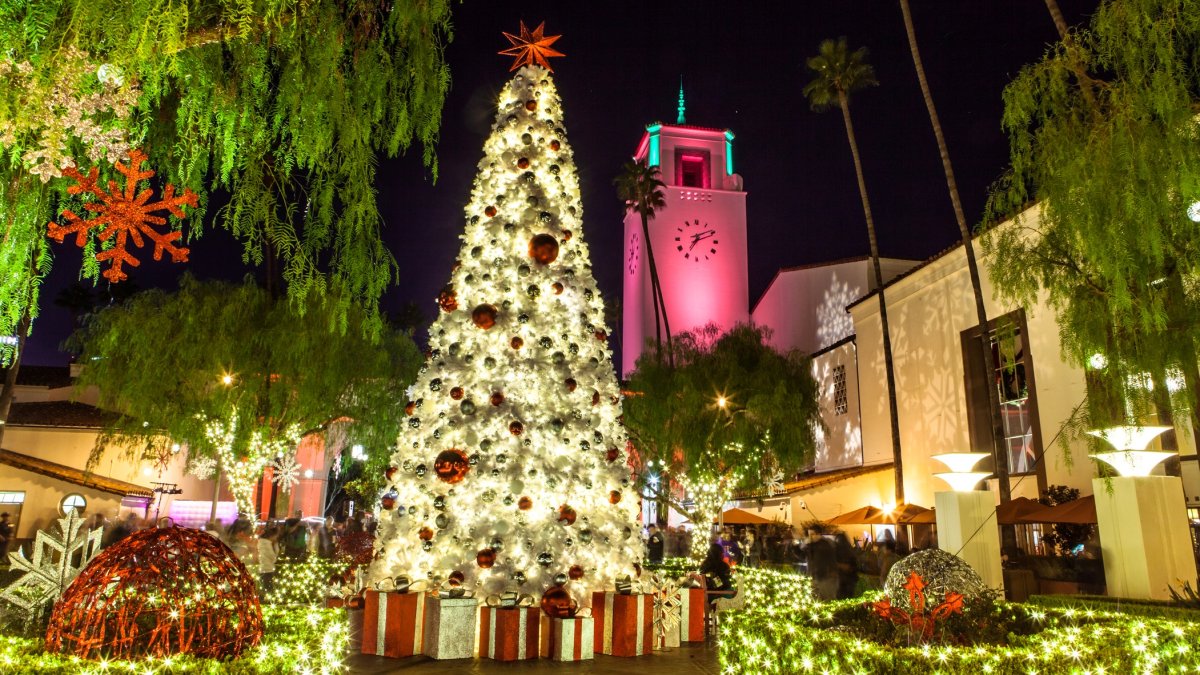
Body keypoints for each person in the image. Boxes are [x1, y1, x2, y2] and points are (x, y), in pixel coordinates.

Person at [806, 530, 838, 601]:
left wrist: (832, 570)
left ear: (818, 534)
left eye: (813, 534)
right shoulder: (811, 545)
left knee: (827, 597)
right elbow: (806, 557)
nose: (811, 536)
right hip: (814, 576)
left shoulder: (824, 544)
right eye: (810, 534)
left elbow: (831, 558)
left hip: (824, 576)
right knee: (815, 598)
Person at [834, 532, 858, 599]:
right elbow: (854, 565)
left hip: (842, 579)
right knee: (849, 597)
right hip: (850, 579)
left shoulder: (838, 550)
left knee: (841, 598)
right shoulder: (850, 549)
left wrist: (839, 565)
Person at [258, 525, 280, 594]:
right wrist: (276, 546)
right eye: (276, 536)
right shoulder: (267, 544)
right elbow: (273, 558)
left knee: (265, 588)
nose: (276, 538)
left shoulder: (261, 543)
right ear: (272, 535)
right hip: (268, 569)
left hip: (263, 569)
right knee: (269, 589)